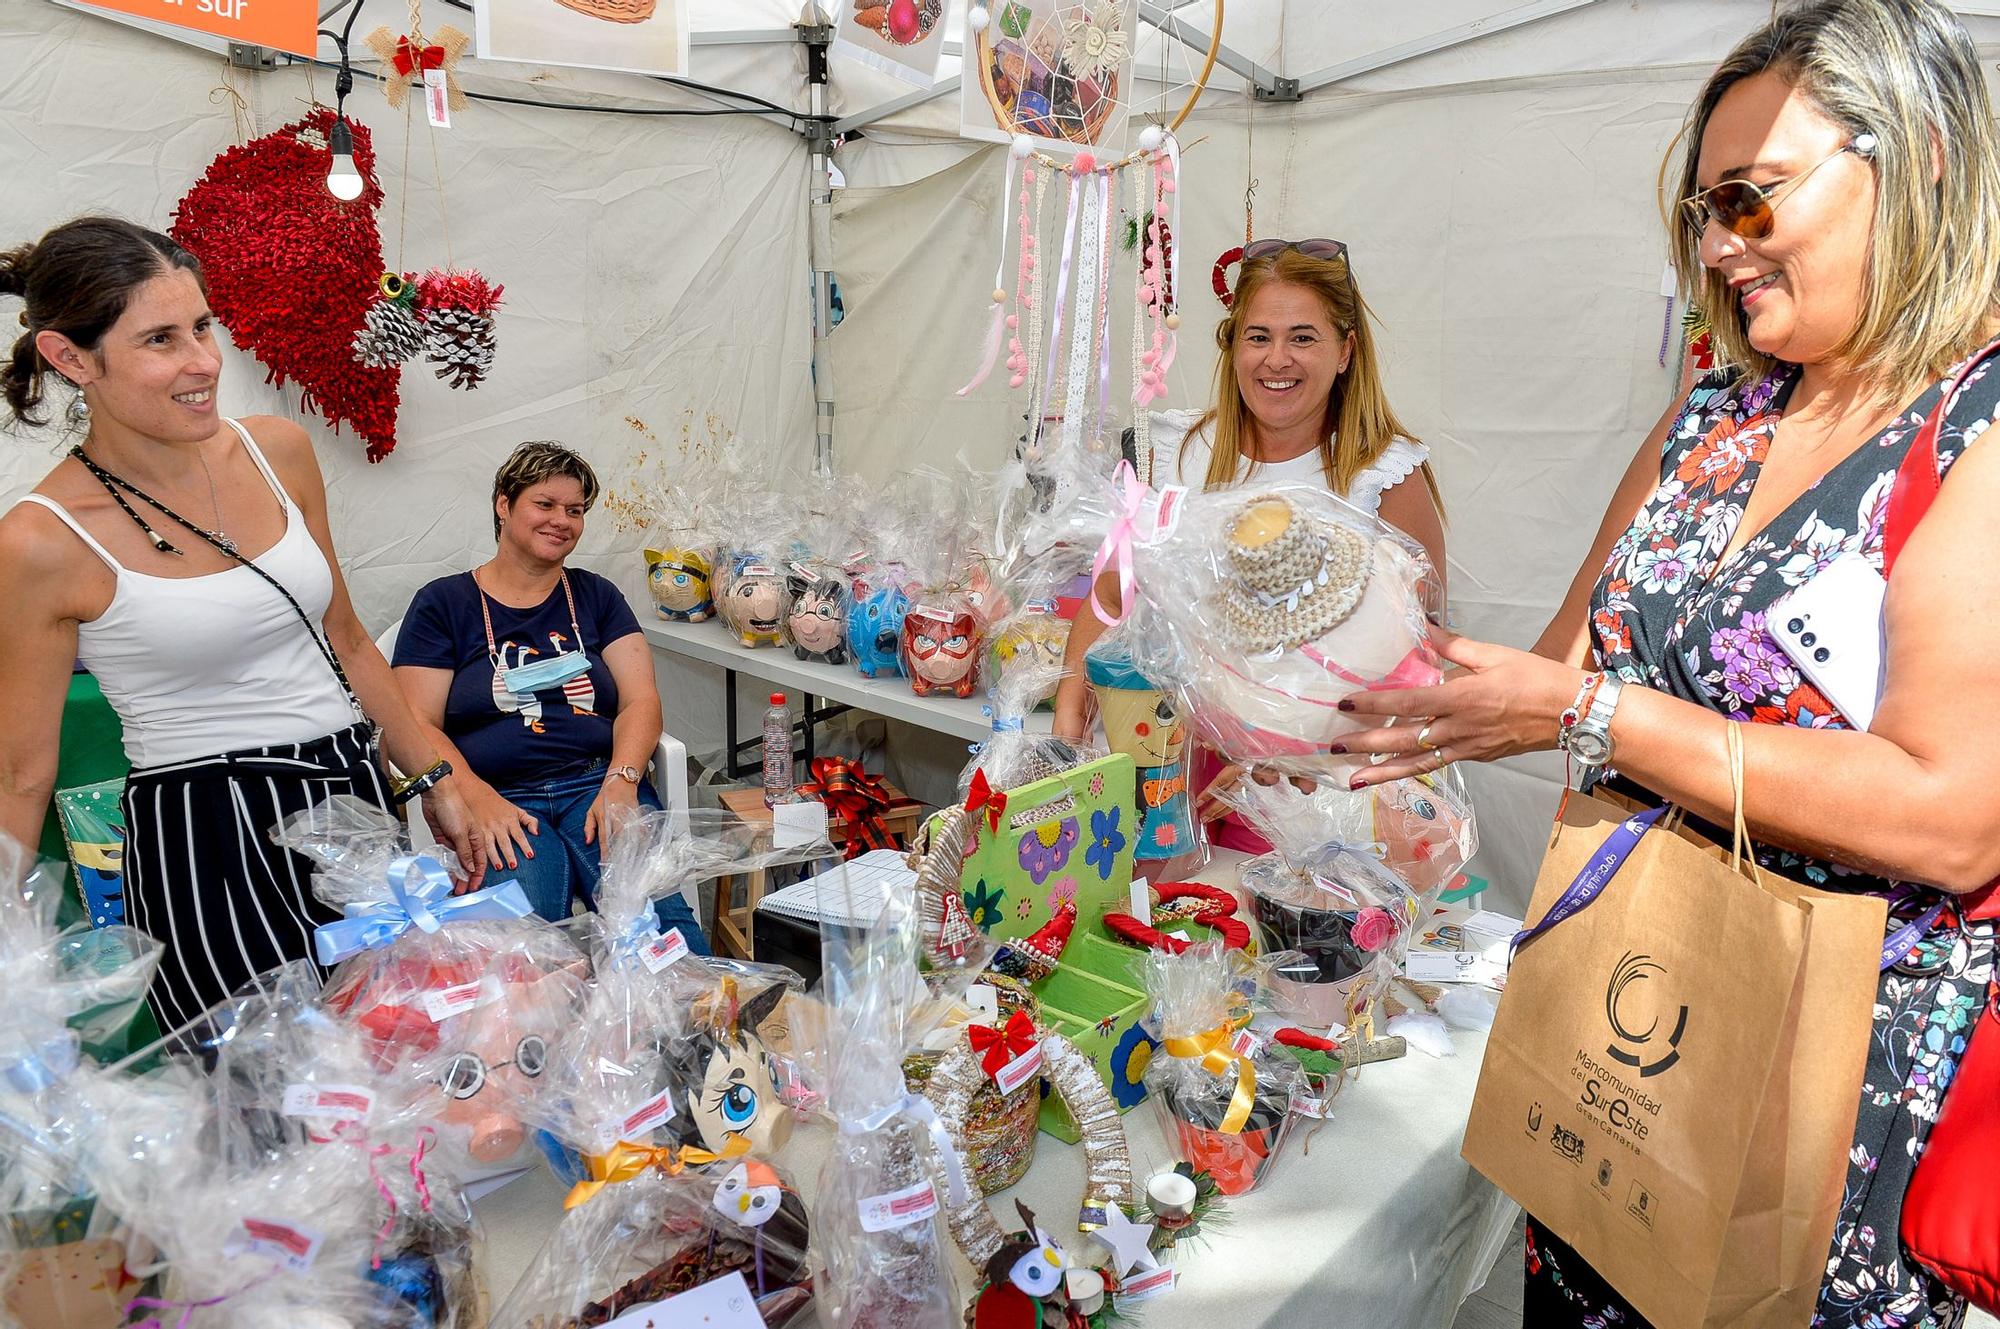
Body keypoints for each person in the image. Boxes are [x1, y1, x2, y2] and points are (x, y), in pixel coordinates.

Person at [1340, 3, 2000, 1323]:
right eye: (1704, 211)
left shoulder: (1972, 428)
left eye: (1750, 201)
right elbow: (1557, 672)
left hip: (1823, 1100)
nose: (1715, 247)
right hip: (1626, 1030)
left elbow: (1953, 817)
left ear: (1921, 156)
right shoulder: (1708, 418)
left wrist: (1594, 712)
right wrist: (1344, 706)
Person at [0, 216, 482, 1031]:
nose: (203, 362)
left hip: (351, 797)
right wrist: (15, 961)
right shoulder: (41, 540)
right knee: (272, 1115)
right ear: (70, 357)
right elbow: (20, 779)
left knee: (401, 1070)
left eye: (202, 326)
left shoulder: (278, 449)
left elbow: (349, 640)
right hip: (205, 838)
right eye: (160, 339)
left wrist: (436, 776)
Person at [1054, 240, 1447, 842]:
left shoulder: (1382, 472)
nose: (1277, 360)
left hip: (1318, 794)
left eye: (1303, 337)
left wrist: (1295, 750)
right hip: (1167, 774)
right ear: (1233, 346)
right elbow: (1113, 593)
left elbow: (1421, 654)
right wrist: (1070, 708)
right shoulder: (1177, 451)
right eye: (1258, 336)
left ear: (1346, 351)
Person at [392, 442, 709, 950]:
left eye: (575, 510)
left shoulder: (596, 595)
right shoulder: (443, 603)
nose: (561, 520)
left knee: (657, 925)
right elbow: (416, 722)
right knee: (523, 942)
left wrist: (623, 782)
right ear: (503, 505)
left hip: (597, 783)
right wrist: (474, 796)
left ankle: (695, 1025)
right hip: (499, 798)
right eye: (545, 504)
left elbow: (640, 702)